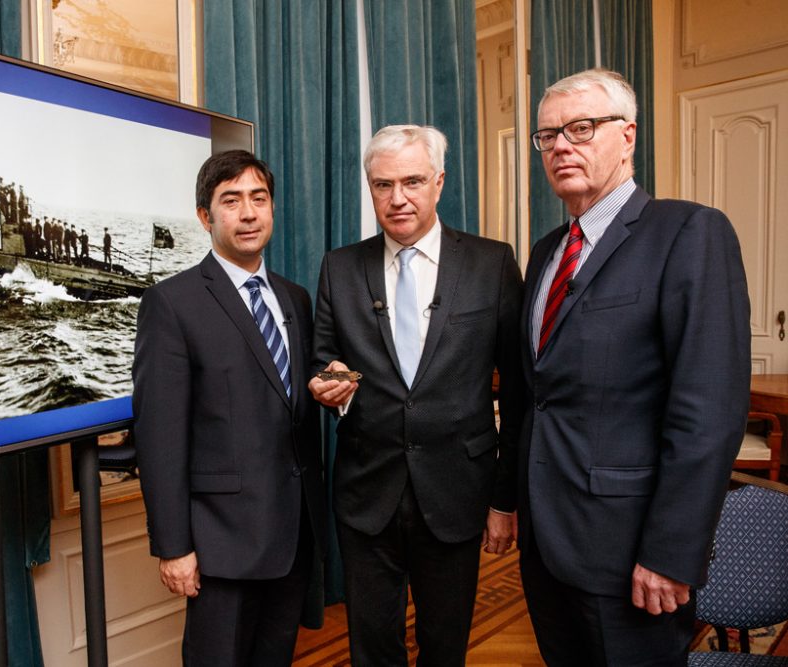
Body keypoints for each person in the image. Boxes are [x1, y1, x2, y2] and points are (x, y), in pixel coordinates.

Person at [518, 68, 751, 666]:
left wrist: (672, 553)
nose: (562, 145)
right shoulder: (546, 251)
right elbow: (540, 395)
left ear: (628, 136)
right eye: (548, 136)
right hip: (549, 547)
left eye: (582, 127)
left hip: (633, 555)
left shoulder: (688, 232)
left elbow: (709, 413)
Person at [308, 124, 524, 666]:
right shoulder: (340, 266)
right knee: (372, 649)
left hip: (457, 491)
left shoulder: (492, 264)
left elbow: (521, 392)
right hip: (365, 491)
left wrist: (503, 499)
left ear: (439, 182)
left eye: (412, 181)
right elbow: (324, 357)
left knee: (444, 646)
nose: (397, 198)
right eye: (383, 185)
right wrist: (328, 381)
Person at [133, 149, 327, 666]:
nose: (247, 213)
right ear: (205, 216)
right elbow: (160, 436)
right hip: (221, 545)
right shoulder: (172, 303)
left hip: (292, 535)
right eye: (231, 200)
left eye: (258, 199)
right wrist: (174, 547)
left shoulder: (295, 299)